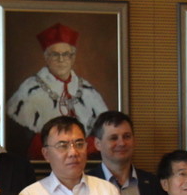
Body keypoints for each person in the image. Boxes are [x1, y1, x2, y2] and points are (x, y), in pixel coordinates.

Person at [6, 24, 109, 159]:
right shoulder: (30, 89)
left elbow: (103, 136)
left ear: (73, 57)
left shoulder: (88, 90)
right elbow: (25, 141)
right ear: (46, 57)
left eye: (66, 54)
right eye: (55, 54)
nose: (61, 60)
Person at [89, 110, 166, 195]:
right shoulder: (86, 184)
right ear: (97, 144)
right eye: (113, 138)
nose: (122, 143)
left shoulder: (154, 184)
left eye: (127, 136)